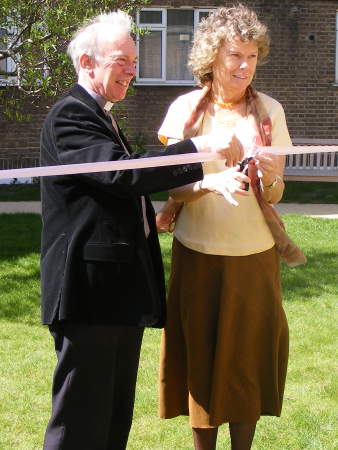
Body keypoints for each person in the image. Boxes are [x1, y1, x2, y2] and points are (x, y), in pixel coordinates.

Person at [39, 10, 249, 450]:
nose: (132, 71)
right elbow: (121, 175)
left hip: (117, 293)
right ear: (87, 63)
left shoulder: (103, 115)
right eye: (122, 61)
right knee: (80, 418)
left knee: (113, 416)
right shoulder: (70, 116)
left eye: (135, 62)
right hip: (89, 295)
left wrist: (203, 181)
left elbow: (127, 184)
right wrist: (200, 148)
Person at [157, 4, 293, 450]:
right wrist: (207, 184)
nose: (244, 66)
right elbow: (174, 191)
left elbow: (274, 195)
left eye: (252, 57)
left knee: (247, 364)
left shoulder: (269, 111)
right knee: (201, 360)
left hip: (254, 256)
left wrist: (269, 175)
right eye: (235, 55)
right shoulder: (184, 111)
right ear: (212, 56)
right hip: (197, 253)